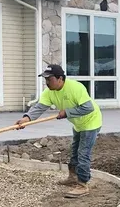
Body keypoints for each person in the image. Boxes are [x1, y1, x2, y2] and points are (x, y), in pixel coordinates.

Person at [16, 64, 102, 198]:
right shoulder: (49, 92)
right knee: (74, 151)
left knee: (83, 153)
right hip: (78, 124)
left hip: (91, 122)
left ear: (60, 78)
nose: (47, 82)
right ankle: (73, 177)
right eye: (45, 79)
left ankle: (82, 185)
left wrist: (67, 112)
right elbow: (39, 107)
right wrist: (26, 119)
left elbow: (88, 107)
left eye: (49, 79)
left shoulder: (75, 88)